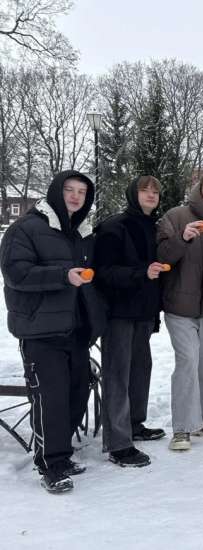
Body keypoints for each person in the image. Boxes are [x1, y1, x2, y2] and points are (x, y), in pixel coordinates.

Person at [1, 170, 106, 493]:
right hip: (40, 329)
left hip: (74, 329)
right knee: (50, 398)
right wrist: (63, 276)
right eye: (69, 190)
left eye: (81, 192)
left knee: (76, 392)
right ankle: (51, 463)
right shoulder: (26, 229)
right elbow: (16, 273)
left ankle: (62, 453)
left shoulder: (80, 233)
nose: (75, 197)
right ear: (55, 193)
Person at [157, 170, 203, 451]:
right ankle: (181, 428)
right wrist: (182, 238)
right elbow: (162, 256)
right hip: (179, 305)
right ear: (200, 189)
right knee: (188, 360)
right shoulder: (176, 216)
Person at [94, 176, 166, 468]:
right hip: (118, 313)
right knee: (117, 376)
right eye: (144, 190)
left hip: (143, 313)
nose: (150, 195)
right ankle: (118, 443)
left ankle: (135, 424)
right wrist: (140, 273)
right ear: (132, 194)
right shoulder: (115, 226)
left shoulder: (153, 227)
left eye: (155, 191)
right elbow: (103, 272)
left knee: (140, 370)